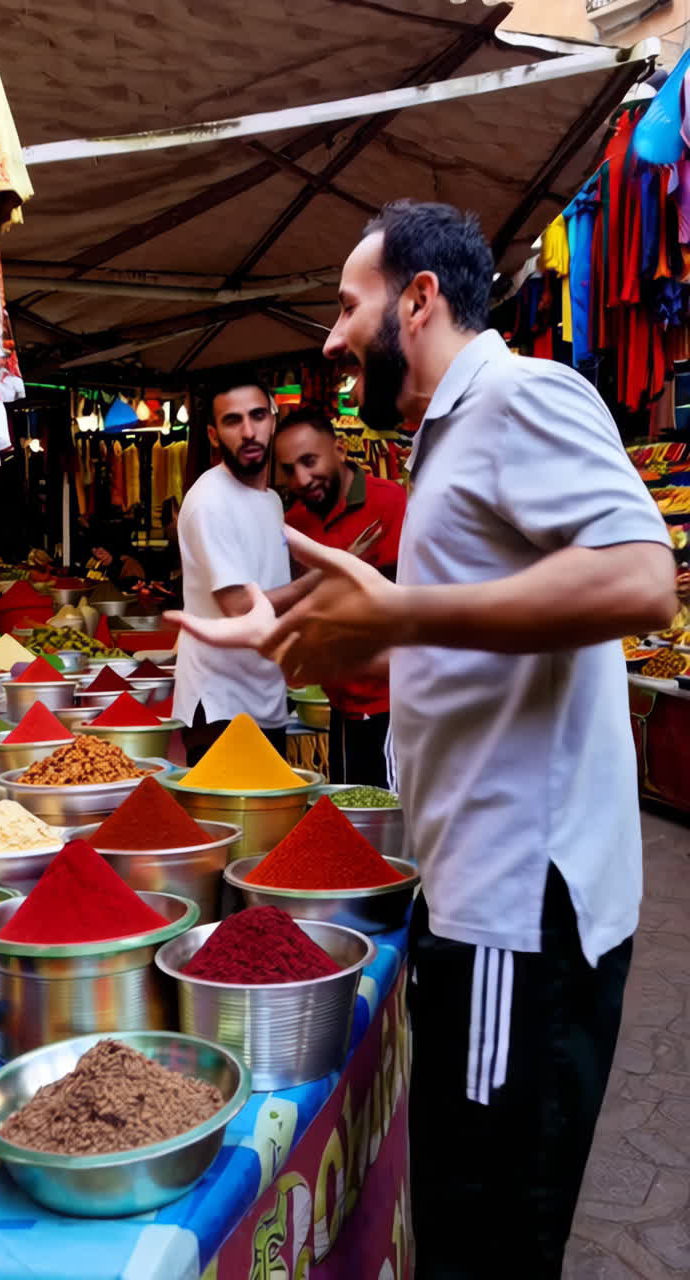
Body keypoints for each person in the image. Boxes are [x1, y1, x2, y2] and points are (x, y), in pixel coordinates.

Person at [167, 200, 676, 1278]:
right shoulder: (446, 439)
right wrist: (299, 618)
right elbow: (468, 619)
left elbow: (643, 579)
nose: (333, 337)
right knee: (456, 1216)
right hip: (472, 903)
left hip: (515, 916)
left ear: (419, 298)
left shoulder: (522, 394)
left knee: (485, 1241)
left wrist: (402, 614)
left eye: (347, 306)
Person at [173, 371, 309, 766]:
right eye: (233, 421)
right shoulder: (210, 501)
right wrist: (324, 578)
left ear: (273, 421)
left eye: (257, 416)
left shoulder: (270, 501)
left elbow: (270, 585)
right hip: (221, 706)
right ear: (214, 435)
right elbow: (239, 607)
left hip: (265, 696)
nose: (249, 432)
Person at [275, 407, 406, 787]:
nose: (301, 479)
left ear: (340, 450)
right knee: (347, 808)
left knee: (392, 811)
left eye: (309, 461)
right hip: (340, 701)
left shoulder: (389, 501)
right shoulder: (296, 522)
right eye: (289, 469)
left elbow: (397, 601)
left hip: (394, 702)